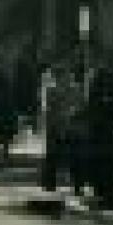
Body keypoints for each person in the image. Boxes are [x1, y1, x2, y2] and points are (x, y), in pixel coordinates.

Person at [81, 51, 113, 208]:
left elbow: (93, 104)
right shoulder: (101, 78)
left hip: (101, 129)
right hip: (102, 129)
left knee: (102, 164)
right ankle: (106, 196)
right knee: (104, 165)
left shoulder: (99, 79)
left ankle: (104, 196)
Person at [38, 59, 79, 193]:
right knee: (53, 157)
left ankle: (74, 184)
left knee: (71, 157)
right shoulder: (51, 90)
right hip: (56, 127)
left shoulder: (72, 89)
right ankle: (50, 184)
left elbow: (77, 106)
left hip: (67, 127)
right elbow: (48, 110)